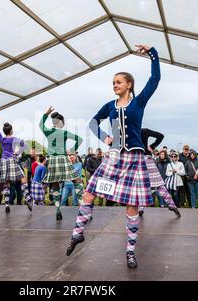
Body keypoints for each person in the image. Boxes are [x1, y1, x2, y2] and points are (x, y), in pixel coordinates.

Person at [66, 44, 160, 269]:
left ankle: (130, 251)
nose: (115, 85)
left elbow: (155, 79)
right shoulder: (109, 106)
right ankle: (78, 233)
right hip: (115, 157)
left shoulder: (139, 102)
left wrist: (152, 53)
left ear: (129, 84)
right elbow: (92, 122)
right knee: (89, 193)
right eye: (113, 83)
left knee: (131, 206)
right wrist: (106, 138)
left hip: (135, 158)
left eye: (118, 82)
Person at [40, 107, 83, 220]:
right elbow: (80, 139)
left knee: (55, 186)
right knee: (77, 180)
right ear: (60, 122)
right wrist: (71, 150)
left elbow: (40, 125)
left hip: (51, 160)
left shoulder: (48, 131)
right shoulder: (64, 132)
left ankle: (58, 209)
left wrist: (46, 114)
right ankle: (83, 208)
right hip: (63, 158)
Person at [0, 115, 33, 214]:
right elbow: (25, 145)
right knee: (23, 178)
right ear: (11, 131)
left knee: (6, 183)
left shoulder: (1, 139)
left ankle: (7, 204)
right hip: (11, 160)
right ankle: (28, 199)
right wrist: (17, 153)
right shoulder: (14, 139)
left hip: (3, 161)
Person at [138, 128, 180, 217]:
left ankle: (140, 207)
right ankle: (171, 204)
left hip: (136, 160)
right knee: (158, 183)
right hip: (147, 159)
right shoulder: (143, 130)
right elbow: (161, 136)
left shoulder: (129, 130)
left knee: (139, 185)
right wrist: (152, 146)